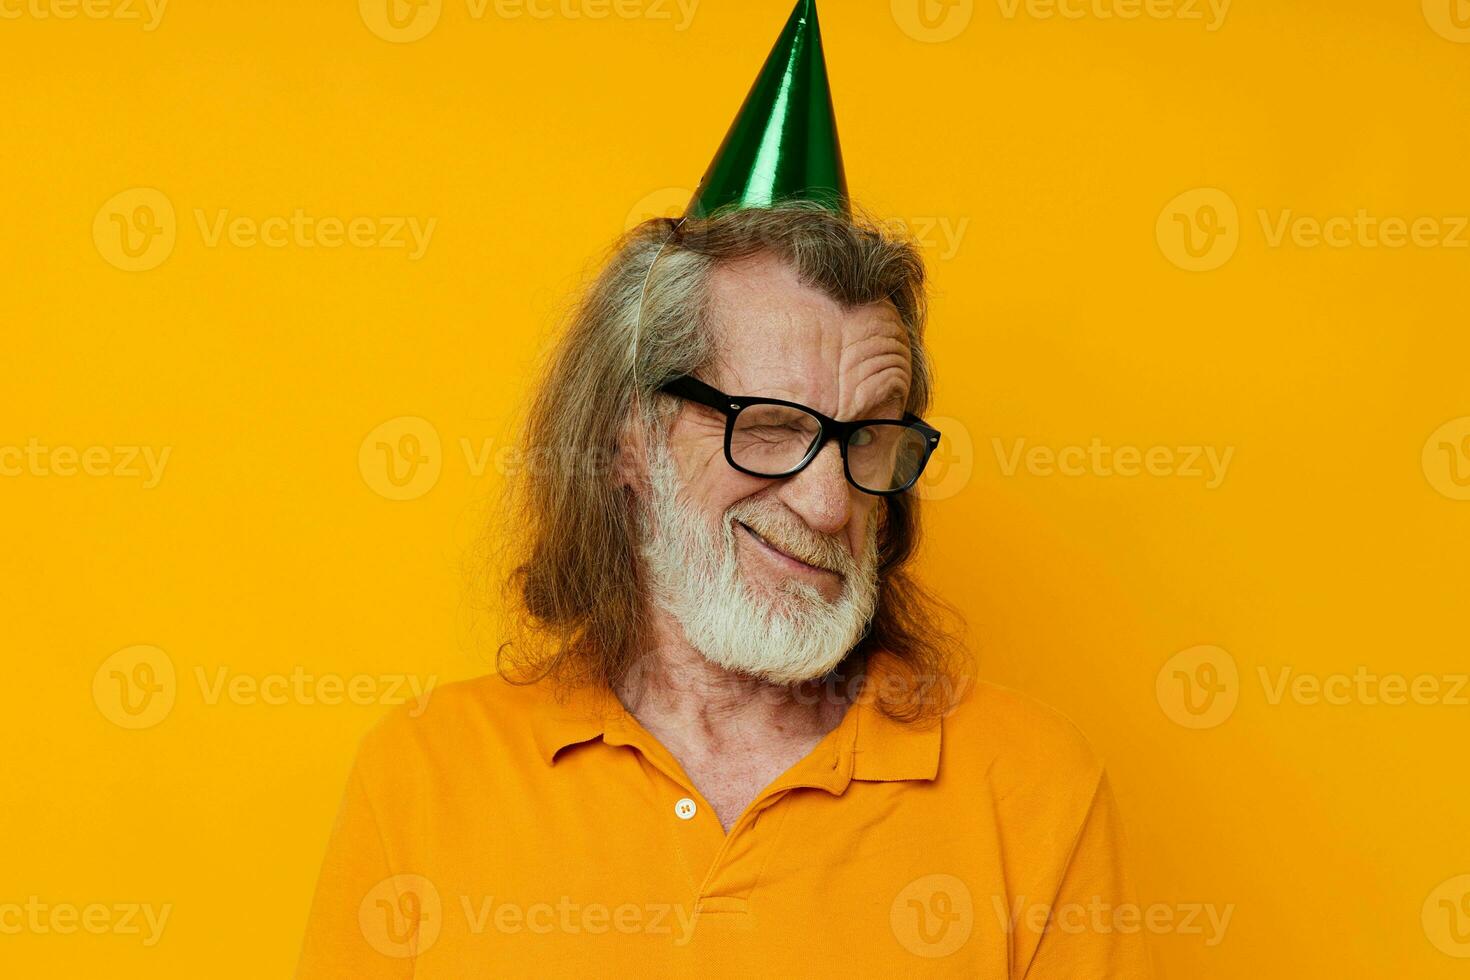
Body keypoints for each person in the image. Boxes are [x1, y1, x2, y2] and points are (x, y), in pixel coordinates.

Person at [297, 2, 1150, 976]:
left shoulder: (1032, 786)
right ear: (629, 438)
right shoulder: (425, 776)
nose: (830, 505)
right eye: (772, 426)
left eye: (867, 437)